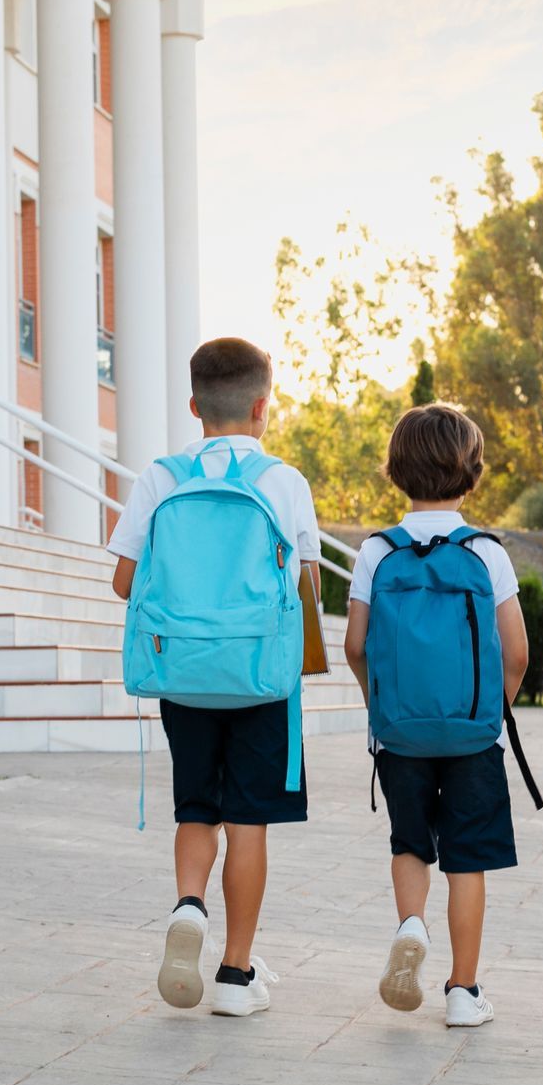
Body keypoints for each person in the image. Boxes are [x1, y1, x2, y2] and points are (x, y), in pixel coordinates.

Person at [108, 337, 321, 1018]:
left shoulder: (160, 478)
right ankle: (236, 973)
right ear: (263, 406)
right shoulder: (284, 482)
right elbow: (307, 590)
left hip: (184, 675)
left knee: (197, 806)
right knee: (249, 821)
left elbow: (124, 581)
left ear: (194, 405)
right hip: (261, 678)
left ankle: (190, 903)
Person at [343, 403, 529, 1029]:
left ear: (395, 470)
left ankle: (411, 924)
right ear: (471, 472)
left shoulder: (376, 551)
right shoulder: (486, 552)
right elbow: (517, 650)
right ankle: (464, 991)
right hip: (473, 734)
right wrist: (491, 711)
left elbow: (354, 644)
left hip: (400, 734)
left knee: (410, 844)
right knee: (466, 860)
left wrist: (382, 708)